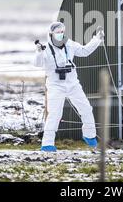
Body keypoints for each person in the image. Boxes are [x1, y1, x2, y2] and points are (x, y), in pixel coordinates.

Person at [32, 21, 105, 152]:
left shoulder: (69, 44)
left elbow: (84, 51)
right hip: (55, 85)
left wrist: (97, 39)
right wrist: (38, 52)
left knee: (86, 108)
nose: (60, 34)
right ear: (51, 34)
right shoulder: (45, 48)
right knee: (54, 114)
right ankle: (47, 145)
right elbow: (37, 64)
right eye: (57, 32)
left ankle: (90, 136)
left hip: (73, 84)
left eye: (62, 32)